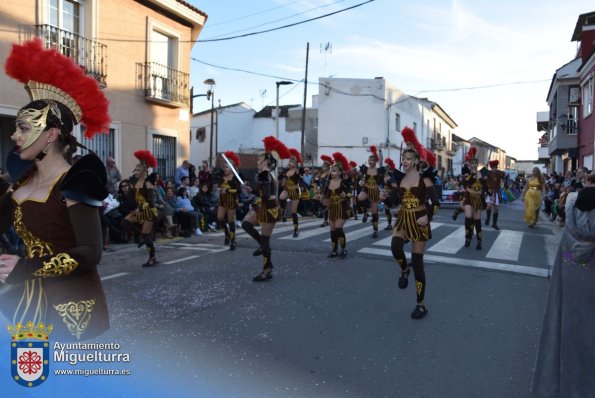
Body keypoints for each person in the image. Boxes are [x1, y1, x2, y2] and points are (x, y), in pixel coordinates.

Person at [0, 38, 110, 341]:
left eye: (23, 127)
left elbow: (91, 253)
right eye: (17, 127)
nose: (14, 135)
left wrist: (23, 267)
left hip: (71, 307)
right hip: (25, 301)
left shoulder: (78, 179)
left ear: (51, 134)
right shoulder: (22, 180)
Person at [531, 172, 595, 397]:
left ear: (586, 184)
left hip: (571, 279)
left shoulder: (571, 208)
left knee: (565, 330)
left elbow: (567, 254)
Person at [390, 127, 439, 319]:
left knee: (418, 263)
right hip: (403, 218)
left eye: (408, 158)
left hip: (419, 219)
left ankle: (421, 304)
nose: (404, 161)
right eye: (403, 158)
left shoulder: (425, 179)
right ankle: (404, 269)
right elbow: (392, 200)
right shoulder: (399, 178)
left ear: (417, 161)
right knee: (395, 247)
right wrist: (387, 199)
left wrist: (428, 216)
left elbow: (435, 203)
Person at [241, 136, 290, 282]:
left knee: (265, 239)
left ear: (268, 162)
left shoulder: (264, 174)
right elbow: (265, 193)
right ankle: (262, 247)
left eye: (260, 160)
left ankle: (267, 270)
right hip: (266, 206)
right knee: (246, 224)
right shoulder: (269, 174)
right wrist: (252, 190)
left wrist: (255, 197)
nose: (257, 162)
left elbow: (266, 194)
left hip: (269, 209)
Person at [121, 150, 159, 267]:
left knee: (146, 236)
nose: (135, 171)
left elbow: (151, 201)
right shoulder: (134, 182)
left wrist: (140, 208)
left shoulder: (148, 184)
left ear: (144, 171)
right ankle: (141, 235)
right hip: (139, 209)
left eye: (138, 170)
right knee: (124, 223)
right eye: (135, 169)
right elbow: (132, 197)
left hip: (148, 211)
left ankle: (152, 257)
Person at [323, 152, 353, 258]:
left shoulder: (344, 182)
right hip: (332, 209)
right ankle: (334, 250)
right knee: (332, 230)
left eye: (334, 171)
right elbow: (326, 198)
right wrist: (320, 199)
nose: (332, 172)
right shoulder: (327, 183)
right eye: (331, 170)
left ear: (340, 172)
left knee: (338, 228)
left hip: (342, 207)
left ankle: (344, 249)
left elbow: (350, 193)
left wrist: (346, 194)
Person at [459, 147, 487, 249]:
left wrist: (480, 176)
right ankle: (468, 237)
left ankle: (479, 241)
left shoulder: (482, 173)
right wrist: (471, 173)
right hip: (469, 198)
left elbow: (485, 186)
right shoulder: (466, 173)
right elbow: (464, 183)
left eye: (474, 163)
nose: (473, 165)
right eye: (471, 163)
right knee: (468, 217)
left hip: (478, 198)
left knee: (477, 220)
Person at [357, 145, 385, 238]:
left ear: (375, 161)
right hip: (366, 188)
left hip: (375, 191)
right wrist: (361, 182)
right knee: (359, 198)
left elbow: (381, 182)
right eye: (369, 160)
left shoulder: (379, 170)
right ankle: (365, 211)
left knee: (374, 212)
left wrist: (382, 190)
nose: (370, 162)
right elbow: (362, 179)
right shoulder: (365, 169)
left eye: (372, 160)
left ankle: (375, 230)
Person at [216, 151, 241, 250]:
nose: (225, 169)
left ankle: (233, 240)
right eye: (224, 167)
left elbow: (238, 190)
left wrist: (228, 190)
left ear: (231, 168)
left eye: (227, 167)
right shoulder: (221, 177)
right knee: (220, 218)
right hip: (222, 201)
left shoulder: (235, 178)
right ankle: (226, 233)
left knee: (231, 221)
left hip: (231, 201)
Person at [280, 148, 303, 237]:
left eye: (291, 162)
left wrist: (297, 168)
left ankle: (296, 229)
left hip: (295, 191)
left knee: (294, 211)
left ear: (295, 164)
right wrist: (283, 183)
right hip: (287, 189)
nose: (289, 163)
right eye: (289, 162)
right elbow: (283, 181)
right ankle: (284, 213)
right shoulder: (287, 171)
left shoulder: (296, 171)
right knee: (281, 197)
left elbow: (298, 174)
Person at [484, 159, 506, 230]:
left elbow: (504, 178)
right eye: (493, 167)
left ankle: (494, 224)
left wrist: (503, 180)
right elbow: (481, 173)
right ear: (491, 167)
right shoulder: (488, 172)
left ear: (496, 167)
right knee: (489, 206)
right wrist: (485, 166)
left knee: (496, 209)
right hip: (490, 192)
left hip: (496, 192)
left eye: (495, 167)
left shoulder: (500, 173)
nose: (494, 168)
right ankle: (488, 218)